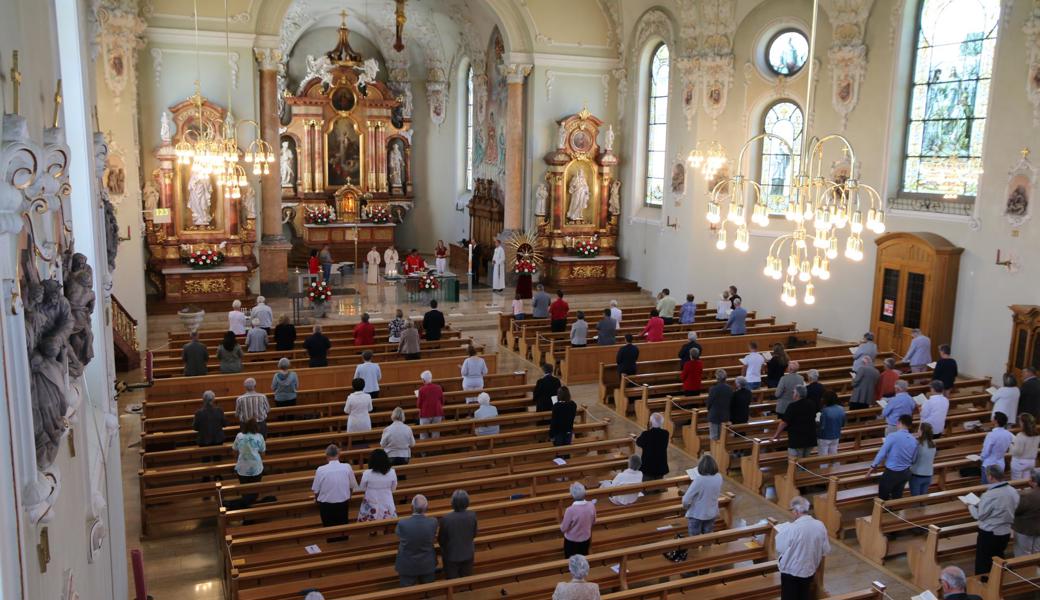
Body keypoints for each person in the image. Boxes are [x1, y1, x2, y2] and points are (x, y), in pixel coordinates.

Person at [775, 496, 830, 600]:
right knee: (804, 595)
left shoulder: (792, 528)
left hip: (791, 572)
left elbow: (780, 548)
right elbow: (825, 549)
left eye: (792, 511)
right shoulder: (820, 525)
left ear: (796, 511)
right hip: (809, 570)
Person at [969, 465, 1019, 575]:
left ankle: (984, 583)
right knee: (999, 556)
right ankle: (999, 579)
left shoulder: (990, 495)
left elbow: (980, 515)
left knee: (984, 561)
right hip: (1006, 531)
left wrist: (971, 506)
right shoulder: (1013, 491)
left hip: (989, 532)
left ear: (991, 477)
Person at [865, 414, 918, 500]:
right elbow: (914, 459)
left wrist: (873, 466)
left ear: (899, 423)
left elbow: (882, 453)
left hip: (892, 472)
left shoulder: (892, 436)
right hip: (905, 472)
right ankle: (894, 510)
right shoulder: (914, 440)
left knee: (883, 496)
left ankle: (882, 512)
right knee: (897, 495)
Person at [394, 494, 438, 586]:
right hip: (427, 563)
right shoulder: (433, 522)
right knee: (428, 593)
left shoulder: (403, 523)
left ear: (411, 507)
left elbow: (399, 534)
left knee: (408, 594)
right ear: (427, 508)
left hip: (407, 564)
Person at [311, 444, 357, 527]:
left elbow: (316, 490)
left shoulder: (320, 469)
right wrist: (349, 496)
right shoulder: (347, 467)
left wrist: (316, 499)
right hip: (343, 503)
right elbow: (352, 486)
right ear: (339, 454)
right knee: (343, 528)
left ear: (327, 456)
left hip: (326, 505)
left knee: (329, 529)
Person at [439, 490, 478, 579]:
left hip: (451, 556)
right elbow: (474, 534)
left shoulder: (446, 519)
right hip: (468, 554)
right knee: (466, 582)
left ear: (453, 502)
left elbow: (441, 540)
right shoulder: (472, 515)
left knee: (452, 583)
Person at [772, 384, 818, 458]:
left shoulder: (792, 406)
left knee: (796, 463)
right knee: (805, 462)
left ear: (797, 394)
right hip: (810, 438)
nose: (792, 394)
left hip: (797, 440)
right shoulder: (811, 403)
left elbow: (784, 422)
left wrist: (776, 435)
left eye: (793, 392)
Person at [683, 454, 723, 536]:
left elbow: (686, 499)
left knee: (694, 541)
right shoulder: (719, 477)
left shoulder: (699, 480)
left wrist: (686, 507)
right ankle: (707, 549)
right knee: (707, 539)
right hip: (711, 513)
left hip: (697, 515)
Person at [231, 419, 266, 507]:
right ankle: (253, 508)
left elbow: (234, 452)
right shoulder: (260, 437)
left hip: (242, 468)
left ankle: (246, 507)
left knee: (245, 490)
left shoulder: (239, 436)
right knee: (254, 490)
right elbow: (262, 454)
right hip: (256, 468)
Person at [357, 449, 398, 522]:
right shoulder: (392, 472)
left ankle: (372, 533)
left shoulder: (367, 473)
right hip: (387, 500)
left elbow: (362, 488)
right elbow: (393, 488)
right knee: (388, 522)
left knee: (369, 522)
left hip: (371, 501)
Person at [560, 482, 596, 557]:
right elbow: (593, 521)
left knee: (571, 561)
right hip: (586, 539)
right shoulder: (591, 505)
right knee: (583, 558)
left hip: (572, 541)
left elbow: (563, 528)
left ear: (572, 495)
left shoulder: (570, 510)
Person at [1013, 469, 1040, 557]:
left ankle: (1024, 570)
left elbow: (1016, 510)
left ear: (1033, 481)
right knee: (1037, 552)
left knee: (1023, 554)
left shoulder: (1027, 496)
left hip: (1026, 529)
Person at [981, 411, 1013, 483]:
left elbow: (986, 451)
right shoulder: (1008, 434)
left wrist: (981, 458)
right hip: (1001, 463)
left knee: (986, 487)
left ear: (996, 421)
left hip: (989, 464)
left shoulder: (991, 435)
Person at [636, 413, 670, 480]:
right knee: (659, 485)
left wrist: (648, 429)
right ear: (661, 422)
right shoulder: (665, 433)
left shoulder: (646, 434)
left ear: (650, 422)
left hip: (648, 466)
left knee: (647, 486)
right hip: (660, 465)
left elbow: (638, 443)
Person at [909, 422, 937, 496]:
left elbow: (912, 460)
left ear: (921, 431)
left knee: (915, 500)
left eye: (919, 429)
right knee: (923, 499)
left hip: (917, 475)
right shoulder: (933, 443)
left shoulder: (918, 444)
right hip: (928, 474)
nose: (917, 431)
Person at [817, 391, 845, 461]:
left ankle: (824, 471)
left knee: (823, 458)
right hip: (836, 435)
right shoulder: (841, 409)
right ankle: (835, 470)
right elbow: (843, 424)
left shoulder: (825, 410)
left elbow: (822, 426)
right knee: (834, 456)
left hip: (824, 437)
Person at [416, 372, 445, 440]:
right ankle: (435, 449)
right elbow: (442, 401)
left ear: (423, 380)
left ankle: (424, 449)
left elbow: (419, 405)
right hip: (437, 412)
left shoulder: (421, 389)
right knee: (436, 433)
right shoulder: (438, 387)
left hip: (425, 413)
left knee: (423, 433)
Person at [1011, 413, 1040, 480]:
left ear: (1023, 423)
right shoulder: (1037, 435)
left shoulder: (1021, 435)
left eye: (1020, 422)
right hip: (1031, 461)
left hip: (1019, 462)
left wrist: (1012, 446)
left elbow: (1018, 452)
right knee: (1027, 483)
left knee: (1017, 483)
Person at [706, 369, 732, 440]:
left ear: (717, 378)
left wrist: (709, 409)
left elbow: (709, 403)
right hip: (725, 414)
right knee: (722, 436)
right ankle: (720, 451)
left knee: (714, 436)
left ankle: (714, 451)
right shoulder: (729, 388)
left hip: (714, 415)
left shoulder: (713, 389)